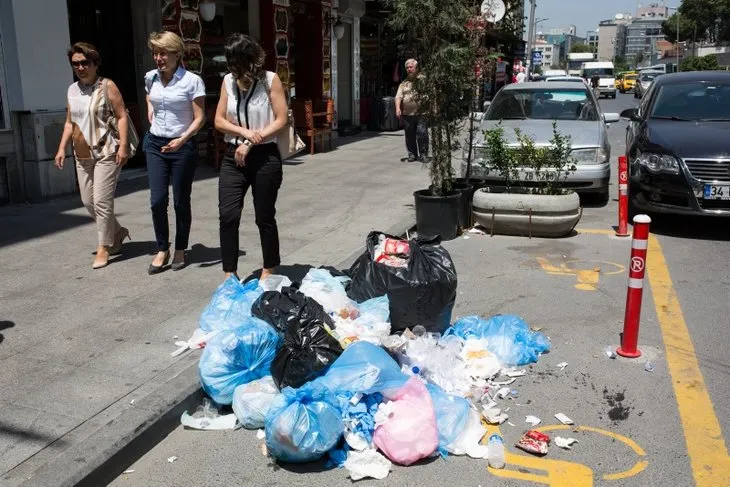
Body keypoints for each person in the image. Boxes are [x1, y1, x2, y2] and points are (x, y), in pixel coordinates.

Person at [214, 33, 288, 282]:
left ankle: (270, 266)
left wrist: (252, 141)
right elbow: (219, 120)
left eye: (236, 62)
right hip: (233, 156)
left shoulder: (270, 80)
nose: (232, 68)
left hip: (265, 155)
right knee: (228, 214)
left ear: (249, 60)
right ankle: (229, 271)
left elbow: (281, 119)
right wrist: (244, 134)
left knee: (264, 215)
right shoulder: (227, 82)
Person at [55, 42, 131, 270]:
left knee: (101, 201)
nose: (80, 67)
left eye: (85, 63)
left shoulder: (107, 86)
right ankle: (117, 232)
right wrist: (61, 148)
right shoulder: (72, 90)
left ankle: (104, 247)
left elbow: (121, 116)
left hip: (106, 150)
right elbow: (70, 122)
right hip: (82, 153)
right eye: (75, 63)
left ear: (95, 63)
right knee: (88, 201)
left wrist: (123, 146)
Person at [143, 31, 206, 274]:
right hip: (155, 145)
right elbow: (150, 97)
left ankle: (180, 248)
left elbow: (200, 118)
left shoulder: (192, 81)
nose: (158, 58)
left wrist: (181, 140)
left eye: (163, 53)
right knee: (157, 200)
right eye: (155, 53)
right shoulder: (150, 78)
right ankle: (162, 248)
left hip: (182, 146)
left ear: (177, 54)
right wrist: (150, 109)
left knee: (181, 200)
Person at [395, 59, 429, 162]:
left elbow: (432, 94)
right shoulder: (403, 83)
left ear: (416, 68)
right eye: (407, 68)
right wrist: (397, 109)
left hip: (421, 113)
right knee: (410, 135)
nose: (409, 69)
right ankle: (412, 154)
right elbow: (398, 97)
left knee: (422, 134)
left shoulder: (423, 80)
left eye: (411, 67)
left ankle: (423, 154)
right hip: (407, 114)